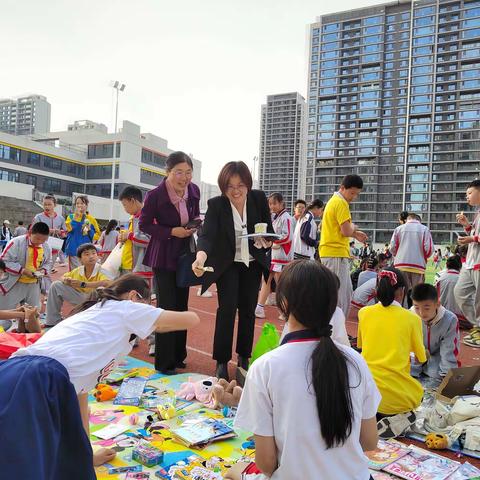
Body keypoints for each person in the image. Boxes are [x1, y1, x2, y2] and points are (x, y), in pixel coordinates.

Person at [1, 274, 200, 478]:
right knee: (26, 464)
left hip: (16, 373)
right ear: (134, 296)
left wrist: (87, 455)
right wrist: (153, 316)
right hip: (38, 379)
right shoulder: (125, 308)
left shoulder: (94, 317)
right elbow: (192, 319)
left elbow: (80, 404)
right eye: (147, 304)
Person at [233, 261, 379, 480]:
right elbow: (369, 441)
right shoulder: (355, 360)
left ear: (283, 303)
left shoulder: (265, 368)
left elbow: (267, 463)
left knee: (234, 471)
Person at [192, 161, 273, 381]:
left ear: (248, 183)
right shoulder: (217, 205)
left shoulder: (257, 199)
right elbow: (207, 236)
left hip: (252, 263)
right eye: (230, 186)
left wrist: (265, 241)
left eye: (240, 185)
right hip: (228, 264)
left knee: (248, 310)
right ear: (223, 187)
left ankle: (244, 358)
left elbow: (269, 231)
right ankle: (221, 361)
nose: (236, 190)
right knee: (226, 309)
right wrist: (200, 256)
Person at [139, 152, 200, 374]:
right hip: (163, 253)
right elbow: (144, 224)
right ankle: (164, 362)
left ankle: (178, 355)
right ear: (167, 172)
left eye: (188, 172)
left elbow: (195, 214)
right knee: (166, 307)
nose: (184, 178)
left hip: (185, 253)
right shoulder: (155, 195)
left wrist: (195, 225)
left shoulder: (194, 190)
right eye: (179, 172)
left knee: (182, 305)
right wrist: (171, 231)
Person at [358, 268, 426, 420]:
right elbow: (421, 358)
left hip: (366, 397)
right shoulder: (412, 319)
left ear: (377, 289)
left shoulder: (364, 313)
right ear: (402, 291)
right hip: (397, 400)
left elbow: (362, 346)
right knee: (419, 392)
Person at [319, 174, 368, 316]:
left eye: (357, 194)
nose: (354, 197)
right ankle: (333, 330)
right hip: (335, 253)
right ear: (342, 188)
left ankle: (335, 329)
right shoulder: (341, 203)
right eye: (352, 193)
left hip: (332, 252)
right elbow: (346, 230)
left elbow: (340, 230)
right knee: (339, 296)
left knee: (343, 294)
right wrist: (353, 227)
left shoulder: (333, 201)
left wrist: (355, 233)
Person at [45, 243, 110, 327]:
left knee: (100, 290)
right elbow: (62, 277)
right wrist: (66, 280)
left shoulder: (101, 269)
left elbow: (108, 283)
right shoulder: (78, 270)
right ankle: (52, 321)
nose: (91, 256)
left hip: (98, 303)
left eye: (94, 253)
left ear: (97, 256)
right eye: (87, 254)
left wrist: (84, 284)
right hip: (83, 299)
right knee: (56, 285)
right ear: (80, 259)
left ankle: (97, 321)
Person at [0, 222, 52, 325]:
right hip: (15, 282)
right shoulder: (16, 242)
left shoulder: (46, 246)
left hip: (33, 284)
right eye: (37, 239)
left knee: (33, 314)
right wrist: (22, 270)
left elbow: (48, 262)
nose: (40, 242)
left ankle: (25, 334)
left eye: (44, 240)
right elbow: (4, 261)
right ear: (30, 233)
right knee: (4, 315)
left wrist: (43, 271)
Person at [255, 193, 293, 319]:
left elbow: (287, 237)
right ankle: (259, 308)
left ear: (282, 203)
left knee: (281, 284)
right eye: (270, 204)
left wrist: (273, 241)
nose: (272, 206)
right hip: (273, 254)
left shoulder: (286, 217)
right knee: (266, 279)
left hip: (281, 256)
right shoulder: (275, 217)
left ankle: (286, 311)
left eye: (274, 203)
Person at [411, 283, 459, 380]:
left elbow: (449, 349)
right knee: (407, 371)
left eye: (426, 308)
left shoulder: (450, 320)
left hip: (437, 355)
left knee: (437, 375)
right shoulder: (409, 317)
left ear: (437, 304)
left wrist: (446, 375)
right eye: (416, 307)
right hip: (417, 355)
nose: (421, 313)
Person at [455, 179, 480, 347]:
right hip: (470, 262)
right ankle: (477, 326)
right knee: (460, 293)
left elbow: (475, 237)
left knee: (479, 300)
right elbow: (475, 234)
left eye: (470, 193)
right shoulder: (478, 213)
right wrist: (467, 226)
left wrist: (472, 238)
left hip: (477, 262)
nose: (467, 197)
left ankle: (478, 329)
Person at [389, 213, 433, 305]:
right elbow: (428, 249)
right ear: (419, 220)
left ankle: (402, 312)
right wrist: (423, 257)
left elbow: (392, 247)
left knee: (401, 292)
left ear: (407, 219)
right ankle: (416, 313)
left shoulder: (399, 229)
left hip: (401, 264)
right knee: (418, 293)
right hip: (418, 265)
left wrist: (399, 255)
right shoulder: (424, 229)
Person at [65, 196, 100, 270]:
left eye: (82, 203)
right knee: (76, 271)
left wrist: (90, 231)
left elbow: (97, 235)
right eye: (77, 203)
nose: (79, 205)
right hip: (74, 249)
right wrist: (76, 218)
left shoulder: (90, 219)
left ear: (86, 205)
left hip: (86, 250)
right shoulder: (70, 217)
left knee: (86, 271)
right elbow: (69, 230)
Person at [33, 194, 68, 268]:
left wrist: (60, 232)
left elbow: (65, 232)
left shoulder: (60, 218)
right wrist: (50, 230)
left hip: (54, 248)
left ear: (55, 205)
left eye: (49, 204)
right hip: (40, 247)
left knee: (49, 269)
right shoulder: (38, 217)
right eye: (45, 204)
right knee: (38, 268)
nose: (46, 206)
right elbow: (34, 231)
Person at [435, 255, 469, 330]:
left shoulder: (440, 278)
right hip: (462, 320)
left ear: (447, 265)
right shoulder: (465, 280)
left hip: (442, 317)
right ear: (460, 266)